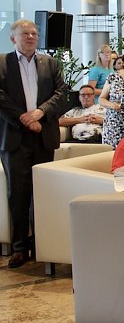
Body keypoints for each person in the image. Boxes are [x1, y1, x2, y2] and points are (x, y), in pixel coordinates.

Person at [0, 19, 67, 268]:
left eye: (34, 33)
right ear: (13, 38)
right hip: (14, 137)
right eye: (25, 33)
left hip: (43, 134)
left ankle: (41, 243)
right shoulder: (1, 63)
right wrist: (23, 118)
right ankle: (19, 247)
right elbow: (0, 97)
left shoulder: (49, 63)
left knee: (41, 193)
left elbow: (62, 92)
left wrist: (39, 113)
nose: (31, 37)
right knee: (17, 193)